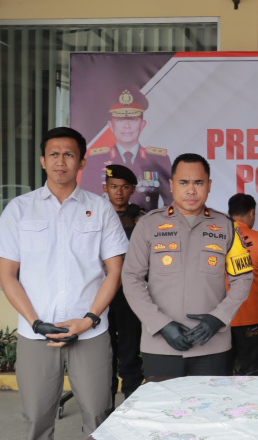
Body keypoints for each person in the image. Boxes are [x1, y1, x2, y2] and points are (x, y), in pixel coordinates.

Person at [0, 127, 129, 439]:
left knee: (98, 416)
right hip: (36, 334)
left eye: (69, 154)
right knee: (37, 419)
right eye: (54, 154)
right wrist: (36, 323)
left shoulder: (101, 208)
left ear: (81, 162)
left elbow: (114, 272)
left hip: (91, 332)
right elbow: (7, 276)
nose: (60, 160)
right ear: (42, 160)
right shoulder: (20, 209)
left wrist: (89, 319)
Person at [122, 153, 253, 378]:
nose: (191, 190)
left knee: (211, 411)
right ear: (172, 185)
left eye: (198, 182)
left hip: (213, 345)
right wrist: (161, 324)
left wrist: (219, 318)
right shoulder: (148, 225)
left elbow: (242, 278)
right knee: (164, 412)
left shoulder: (227, 226)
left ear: (209, 186)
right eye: (184, 182)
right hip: (161, 344)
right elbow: (131, 278)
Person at [80, 86, 172, 212]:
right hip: (107, 228)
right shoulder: (95, 160)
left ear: (142, 124)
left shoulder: (159, 160)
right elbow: (85, 203)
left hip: (146, 228)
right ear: (111, 125)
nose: (127, 126)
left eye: (133, 119)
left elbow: (171, 203)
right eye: (120, 120)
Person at [102, 164, 144, 406]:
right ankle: (104, 409)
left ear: (132, 189)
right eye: (113, 187)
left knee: (130, 354)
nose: (118, 192)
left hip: (130, 295)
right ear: (105, 188)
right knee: (104, 355)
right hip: (101, 295)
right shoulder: (94, 214)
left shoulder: (141, 219)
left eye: (124, 187)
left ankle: (130, 407)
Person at [226, 193, 258, 376]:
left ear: (228, 213)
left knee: (218, 374)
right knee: (253, 374)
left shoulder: (216, 239)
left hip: (220, 319)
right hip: (251, 317)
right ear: (252, 213)